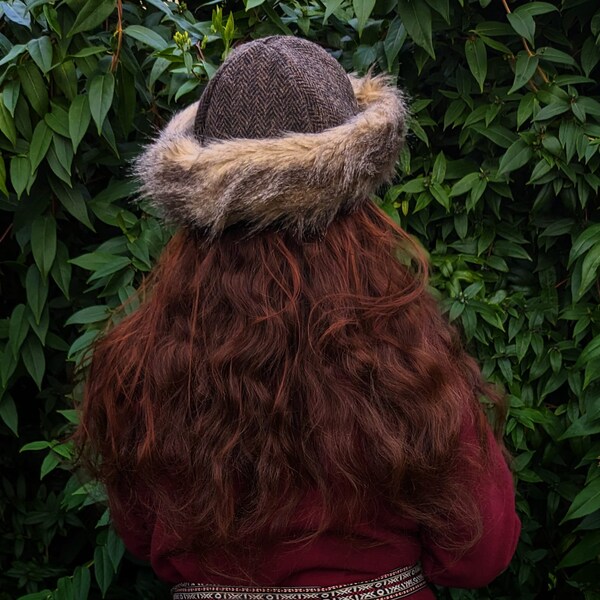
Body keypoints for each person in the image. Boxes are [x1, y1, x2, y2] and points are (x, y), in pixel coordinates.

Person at [75, 36, 520, 600]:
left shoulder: (139, 366)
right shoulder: (409, 365)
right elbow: (480, 551)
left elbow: (139, 535)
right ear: (356, 200)